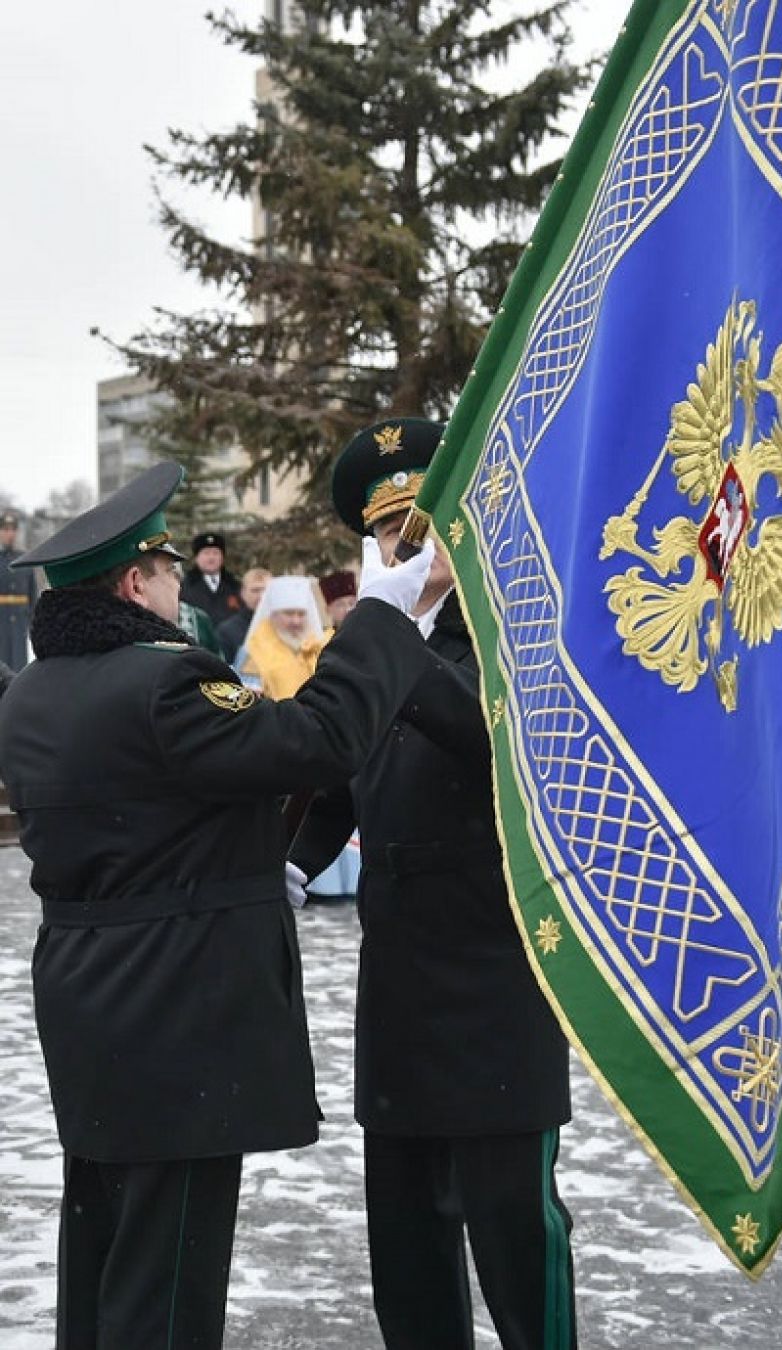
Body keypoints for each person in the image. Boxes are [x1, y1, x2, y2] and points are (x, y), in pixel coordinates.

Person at [0, 460, 435, 1349]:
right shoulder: (162, 683)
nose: (174, 589)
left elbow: (151, 815)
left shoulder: (34, 691)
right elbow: (316, 740)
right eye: (164, 573)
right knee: (169, 1280)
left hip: (93, 999)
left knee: (106, 1246)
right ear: (134, 583)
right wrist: (384, 618)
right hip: (179, 1008)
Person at [290, 418, 576, 1350]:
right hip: (401, 977)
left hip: (498, 971)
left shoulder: (518, 628)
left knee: (513, 1228)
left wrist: (385, 642)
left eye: (424, 529)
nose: (407, 550)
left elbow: (491, 739)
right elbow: (335, 774)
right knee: (406, 1238)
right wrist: (285, 864)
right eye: (389, 537)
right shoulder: (370, 644)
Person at [236, 575, 329, 698]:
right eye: (289, 614)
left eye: (301, 614)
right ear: (273, 615)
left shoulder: (317, 646)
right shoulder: (252, 651)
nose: (296, 621)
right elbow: (248, 700)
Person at [179, 529, 243, 626]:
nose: (211, 558)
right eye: (206, 553)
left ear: (222, 557)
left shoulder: (235, 586)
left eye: (215, 553)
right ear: (196, 557)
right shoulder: (184, 587)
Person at [0, 509, 38, 671]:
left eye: (13, 530)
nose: (10, 534)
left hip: (20, 624)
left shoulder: (24, 560)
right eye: (5, 530)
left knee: (19, 667)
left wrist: (34, 623)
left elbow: (32, 595)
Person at [217, 565, 272, 663]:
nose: (261, 596)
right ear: (243, 593)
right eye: (255, 590)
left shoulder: (289, 626)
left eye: (266, 590)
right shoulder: (227, 631)